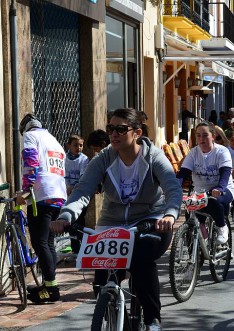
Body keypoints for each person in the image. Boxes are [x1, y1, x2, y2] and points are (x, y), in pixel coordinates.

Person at [51, 108, 182, 330]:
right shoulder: (104, 158)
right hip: (112, 224)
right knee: (101, 280)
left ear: (137, 132)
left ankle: (152, 320)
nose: (114, 134)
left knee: (141, 260)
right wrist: (65, 215)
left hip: (150, 221)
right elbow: (83, 190)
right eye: (111, 129)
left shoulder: (153, 156)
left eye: (121, 129)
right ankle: (110, 309)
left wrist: (169, 215)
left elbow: (172, 188)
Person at [16, 113, 67, 303]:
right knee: (49, 242)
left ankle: (51, 288)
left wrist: (26, 189)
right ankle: (49, 285)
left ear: (25, 128)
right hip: (58, 195)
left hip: (41, 195)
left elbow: (30, 160)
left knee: (39, 242)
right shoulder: (53, 140)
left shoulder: (31, 136)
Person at [177, 122, 234, 244]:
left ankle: (221, 227)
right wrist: (174, 187)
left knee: (213, 201)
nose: (201, 139)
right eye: (198, 135)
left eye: (205, 135)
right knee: (190, 208)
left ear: (213, 136)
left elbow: (225, 173)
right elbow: (183, 173)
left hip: (222, 189)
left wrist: (220, 187)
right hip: (200, 191)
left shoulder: (222, 151)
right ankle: (194, 246)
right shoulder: (193, 153)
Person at [64, 134, 89, 254]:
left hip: (79, 196)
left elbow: (83, 177)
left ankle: (83, 249)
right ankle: (75, 250)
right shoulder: (64, 158)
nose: (78, 148)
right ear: (69, 145)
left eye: (81, 145)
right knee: (69, 223)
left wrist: (73, 188)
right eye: (75, 145)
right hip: (66, 196)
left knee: (79, 222)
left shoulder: (84, 159)